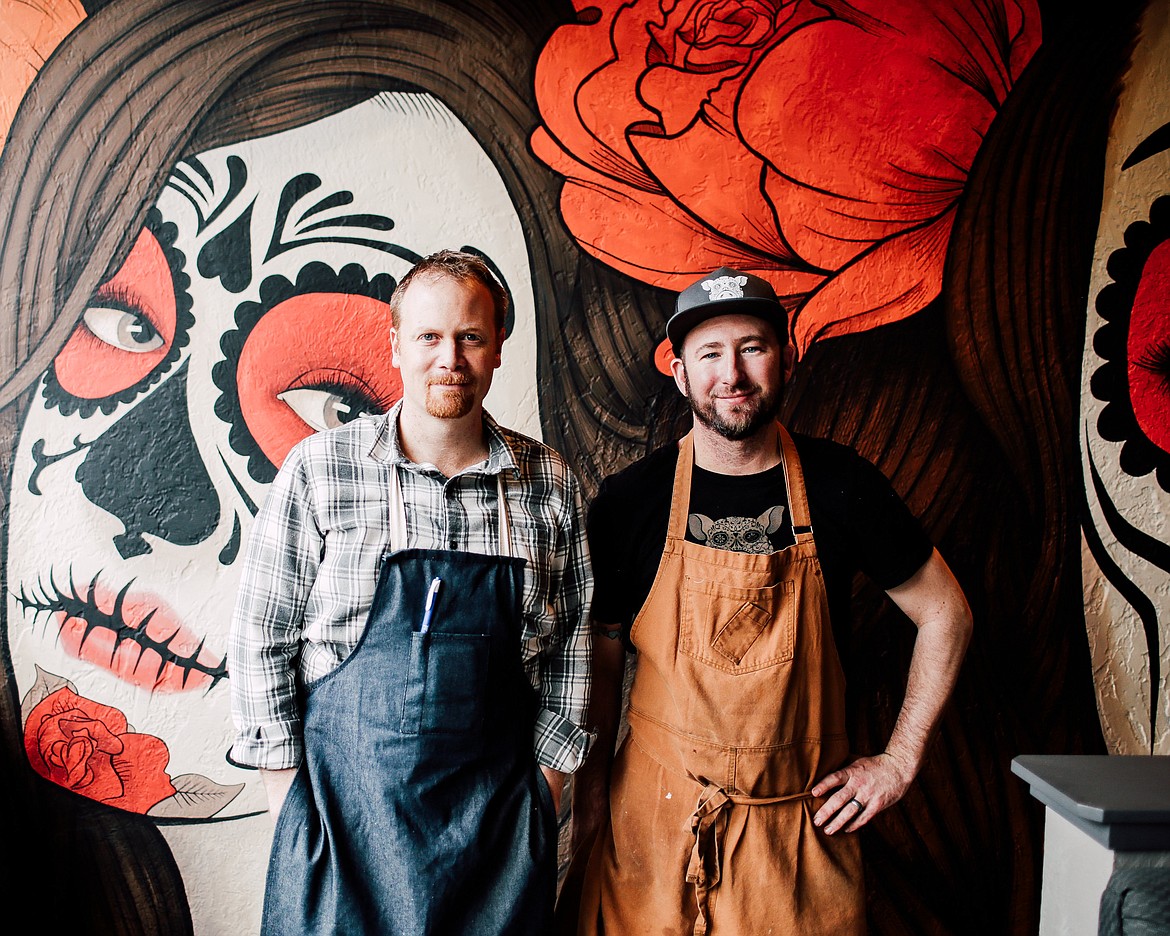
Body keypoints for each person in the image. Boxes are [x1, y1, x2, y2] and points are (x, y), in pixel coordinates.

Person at [567, 267, 973, 935]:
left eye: (753, 347)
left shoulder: (844, 485)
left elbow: (946, 614)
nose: (733, 373)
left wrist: (900, 762)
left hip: (799, 841)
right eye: (710, 353)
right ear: (680, 372)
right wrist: (589, 808)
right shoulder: (630, 502)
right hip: (653, 828)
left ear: (784, 355)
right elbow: (602, 672)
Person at [228, 249, 593, 934]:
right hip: (340, 835)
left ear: (497, 349)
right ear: (395, 345)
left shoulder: (550, 484)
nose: (449, 357)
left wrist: (543, 800)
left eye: (470, 337)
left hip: (495, 846)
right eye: (429, 336)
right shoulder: (322, 470)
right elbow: (259, 638)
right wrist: (293, 810)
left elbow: (571, 647)